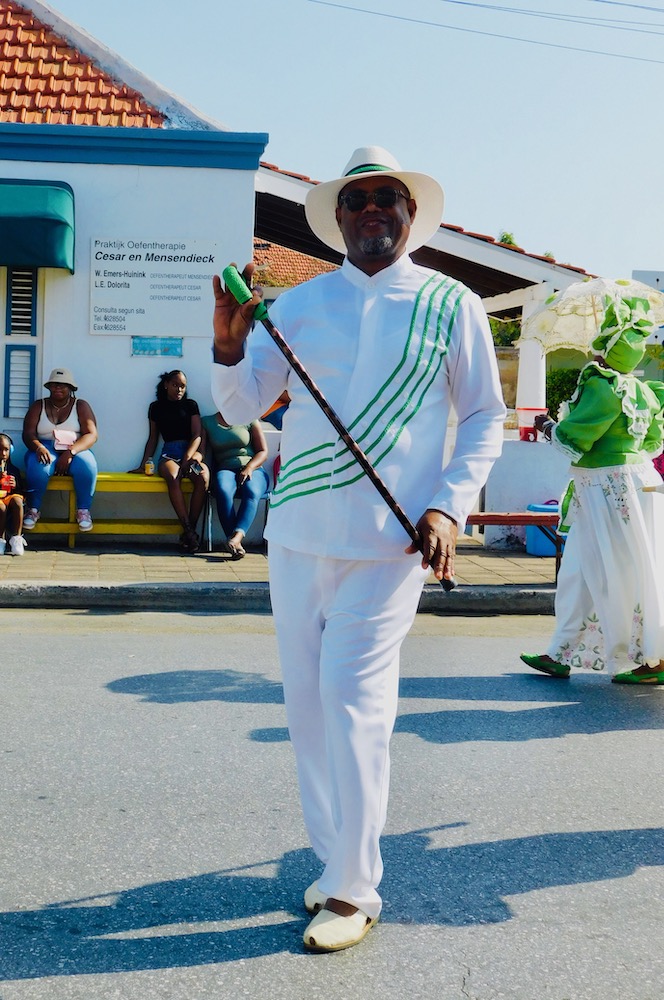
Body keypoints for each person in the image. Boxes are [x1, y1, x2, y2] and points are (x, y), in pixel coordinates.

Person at [210, 146, 506, 952]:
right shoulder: (300, 306)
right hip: (298, 532)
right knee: (307, 711)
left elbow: (484, 418)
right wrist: (230, 343)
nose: (373, 209)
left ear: (411, 215)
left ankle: (352, 890)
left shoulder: (455, 305)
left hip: (390, 542)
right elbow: (239, 406)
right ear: (338, 217)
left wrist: (448, 506)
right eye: (358, 199)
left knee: (352, 708)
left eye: (388, 199)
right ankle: (334, 861)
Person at [521, 296, 664, 684]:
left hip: (608, 488)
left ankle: (654, 661)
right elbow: (652, 444)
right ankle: (561, 652)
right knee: (596, 570)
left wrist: (547, 426)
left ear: (604, 344)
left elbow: (574, 440)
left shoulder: (601, 386)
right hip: (636, 484)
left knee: (611, 572)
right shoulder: (644, 391)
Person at [129, 370, 209, 553]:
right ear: (166, 384)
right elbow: (153, 438)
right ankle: (189, 532)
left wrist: (188, 458)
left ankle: (189, 530)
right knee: (173, 477)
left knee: (202, 478)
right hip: (170, 453)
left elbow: (197, 435)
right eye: (175, 385)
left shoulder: (190, 405)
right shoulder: (156, 407)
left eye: (182, 386)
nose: (179, 389)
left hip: (190, 451)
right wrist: (143, 464)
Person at [22, 367, 98, 533]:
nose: (58, 388)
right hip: (44, 446)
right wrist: (39, 447)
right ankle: (33, 509)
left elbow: (91, 435)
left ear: (71, 388)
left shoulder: (81, 405)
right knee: (38, 468)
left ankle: (83, 511)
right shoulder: (38, 406)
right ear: (49, 387)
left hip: (74, 447)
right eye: (54, 384)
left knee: (87, 466)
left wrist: (71, 452)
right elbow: (28, 433)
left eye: (63, 385)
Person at [200, 411, 269, 558]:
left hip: (254, 468)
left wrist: (249, 468)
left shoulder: (249, 418)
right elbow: (202, 451)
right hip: (226, 468)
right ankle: (235, 543)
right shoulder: (208, 422)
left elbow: (263, 451)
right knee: (223, 490)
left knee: (251, 492)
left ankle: (236, 538)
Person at [0, 432, 26, 555]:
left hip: (9, 496)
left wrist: (15, 485)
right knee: (1, 508)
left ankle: (17, 539)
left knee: (17, 502)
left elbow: (21, 490)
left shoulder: (13, 469)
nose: (3, 454)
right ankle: (0, 540)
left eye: (6, 450)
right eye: (0, 450)